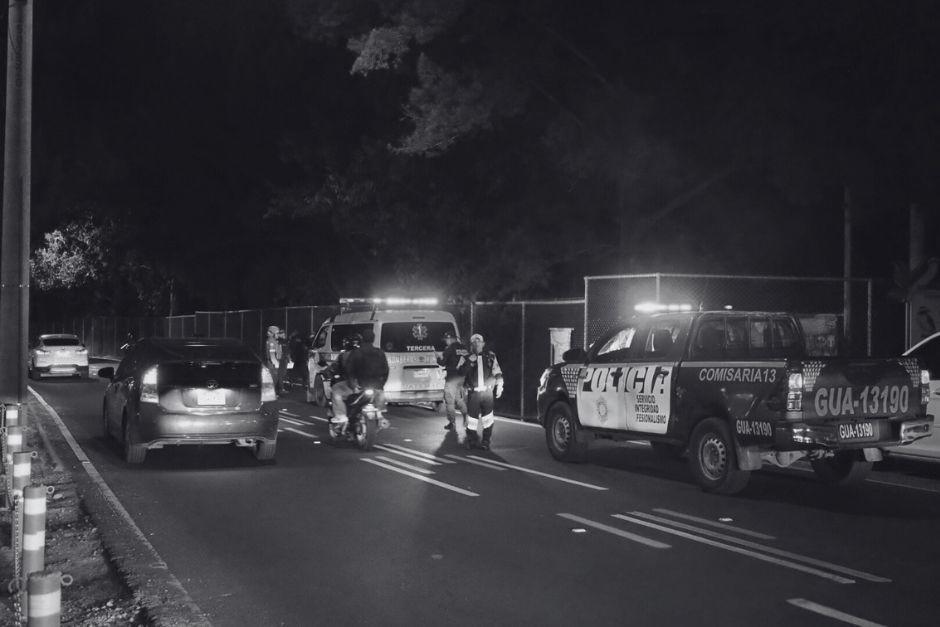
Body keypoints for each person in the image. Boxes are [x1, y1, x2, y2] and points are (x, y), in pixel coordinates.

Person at [460, 333, 503, 451]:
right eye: (474, 343)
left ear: (483, 344)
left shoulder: (490, 356)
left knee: (488, 419)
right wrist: (469, 362)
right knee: (472, 420)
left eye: (479, 342)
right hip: (473, 393)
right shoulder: (465, 357)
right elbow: (461, 373)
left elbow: (497, 371)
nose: (477, 344)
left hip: (487, 392)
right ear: (471, 345)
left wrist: (500, 385)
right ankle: (471, 441)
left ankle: (486, 442)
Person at [346, 329, 389, 412]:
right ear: (373, 339)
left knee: (352, 407)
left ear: (362, 339)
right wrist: (381, 383)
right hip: (377, 386)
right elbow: (386, 370)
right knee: (381, 411)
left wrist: (353, 384)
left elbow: (349, 370)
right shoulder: (380, 353)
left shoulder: (356, 353)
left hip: (361, 386)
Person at [327, 332, 362, 427]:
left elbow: (334, 368)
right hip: (368, 384)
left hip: (351, 384)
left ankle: (340, 415)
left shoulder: (344, 355)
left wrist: (328, 372)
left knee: (335, 391)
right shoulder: (366, 353)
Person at [437, 330, 468, 431]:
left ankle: (452, 422)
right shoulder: (464, 348)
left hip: (452, 378)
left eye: (446, 340)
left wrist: (437, 358)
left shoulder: (450, 349)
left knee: (449, 400)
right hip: (462, 378)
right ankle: (466, 416)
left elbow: (442, 362)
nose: (446, 342)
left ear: (450, 339)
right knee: (458, 399)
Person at [276, 328, 290, 394]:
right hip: (282, 360)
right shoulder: (280, 342)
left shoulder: (283, 341)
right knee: (281, 374)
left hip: (283, 359)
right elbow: (282, 351)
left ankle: (279, 389)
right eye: (282, 334)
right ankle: (280, 389)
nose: (284, 335)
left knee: (282, 374)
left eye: (284, 334)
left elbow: (287, 350)